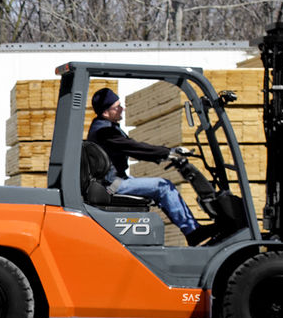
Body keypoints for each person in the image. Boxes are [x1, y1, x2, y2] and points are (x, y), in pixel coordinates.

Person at [85, 88, 206, 244]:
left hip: (112, 182)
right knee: (163, 186)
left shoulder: (105, 127)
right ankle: (193, 232)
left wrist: (163, 154)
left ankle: (191, 229)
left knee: (156, 186)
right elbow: (134, 147)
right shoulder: (105, 132)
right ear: (106, 112)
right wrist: (167, 152)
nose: (123, 108)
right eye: (118, 106)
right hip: (113, 185)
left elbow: (131, 149)